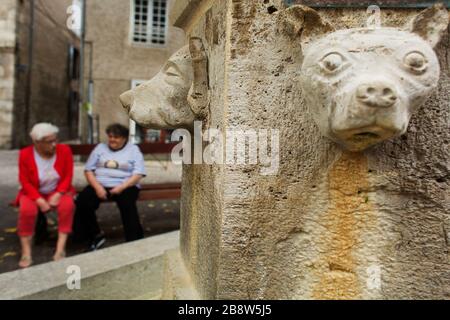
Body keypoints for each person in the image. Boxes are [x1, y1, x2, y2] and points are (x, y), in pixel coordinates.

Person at [73, 123, 146, 251]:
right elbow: (88, 170)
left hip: (125, 184)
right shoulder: (100, 148)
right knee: (83, 201)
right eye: (110, 136)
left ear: (124, 138)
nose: (112, 140)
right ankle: (95, 235)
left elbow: (138, 173)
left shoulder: (133, 150)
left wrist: (121, 187)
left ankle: (134, 241)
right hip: (100, 183)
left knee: (127, 204)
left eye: (116, 137)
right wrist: (97, 188)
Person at [15, 123, 75, 268]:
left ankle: (60, 249)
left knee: (67, 206)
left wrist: (59, 193)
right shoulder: (25, 154)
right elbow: (25, 181)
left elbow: (68, 176)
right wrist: (39, 199)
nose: (54, 144)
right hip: (34, 192)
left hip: (59, 190)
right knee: (26, 211)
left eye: (56, 140)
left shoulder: (65, 150)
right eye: (49, 142)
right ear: (37, 142)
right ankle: (26, 252)